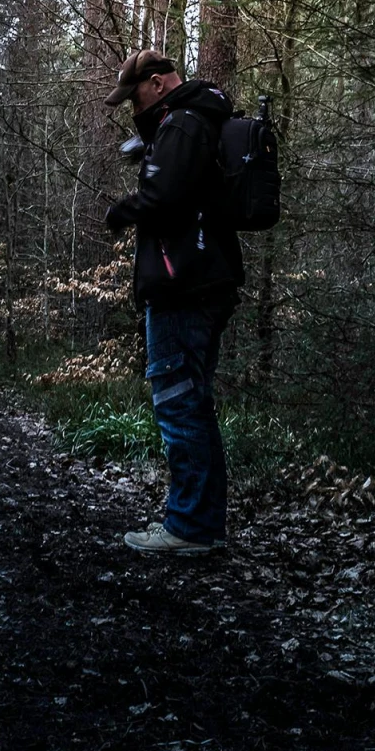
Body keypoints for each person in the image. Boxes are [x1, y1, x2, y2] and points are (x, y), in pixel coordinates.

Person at [103, 49, 243, 554]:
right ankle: (200, 524)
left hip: (183, 284)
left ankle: (188, 526)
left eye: (135, 95)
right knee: (193, 404)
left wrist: (121, 209)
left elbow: (165, 198)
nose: (131, 107)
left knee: (178, 402)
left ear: (158, 83)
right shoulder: (194, 121)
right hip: (201, 279)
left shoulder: (183, 124)